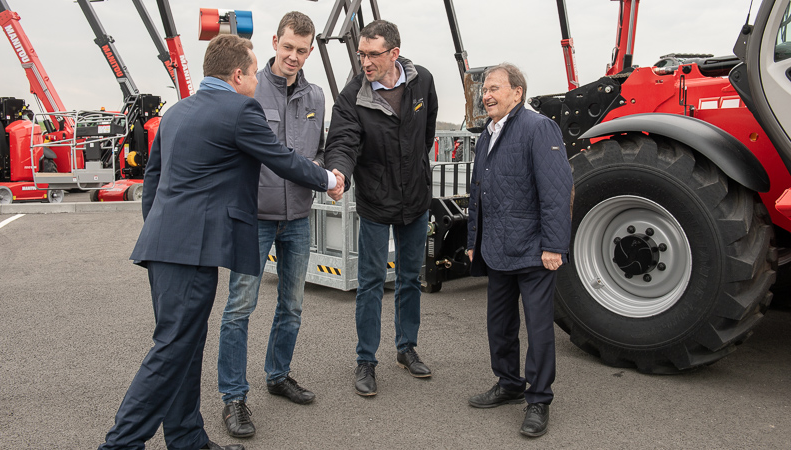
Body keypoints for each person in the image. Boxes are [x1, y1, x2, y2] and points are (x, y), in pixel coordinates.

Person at [98, 34, 343, 450]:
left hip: (165, 247)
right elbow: (280, 158)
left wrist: (162, 233)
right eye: (251, 72)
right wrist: (327, 179)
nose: (255, 80)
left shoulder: (177, 112)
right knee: (172, 350)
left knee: (185, 347)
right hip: (192, 251)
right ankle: (120, 445)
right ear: (236, 75)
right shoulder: (239, 108)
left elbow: (154, 179)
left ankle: (187, 439)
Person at [217, 11, 325, 438]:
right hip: (254, 218)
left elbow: (319, 153)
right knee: (239, 308)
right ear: (274, 42)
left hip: (298, 216)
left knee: (292, 305)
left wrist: (327, 172)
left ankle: (278, 375)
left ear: (311, 49)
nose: (294, 56)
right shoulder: (248, 90)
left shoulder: (317, 97)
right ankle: (233, 397)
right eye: (287, 48)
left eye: (302, 50)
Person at [325, 19, 438, 396]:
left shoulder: (422, 80)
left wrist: (418, 170)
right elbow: (341, 140)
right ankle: (366, 360)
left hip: (416, 200)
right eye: (361, 53)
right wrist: (339, 171)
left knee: (410, 278)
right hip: (375, 201)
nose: (365, 61)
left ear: (394, 53)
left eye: (373, 54)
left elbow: (426, 133)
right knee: (371, 282)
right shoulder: (352, 95)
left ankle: (406, 348)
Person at [465, 63, 572, 438]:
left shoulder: (538, 128)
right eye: (485, 91)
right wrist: (471, 243)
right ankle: (509, 384)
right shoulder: (486, 136)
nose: (487, 95)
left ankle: (538, 399)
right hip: (496, 249)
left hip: (532, 251)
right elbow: (477, 193)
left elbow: (557, 191)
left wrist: (555, 245)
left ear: (517, 93)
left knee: (539, 329)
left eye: (494, 88)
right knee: (500, 325)